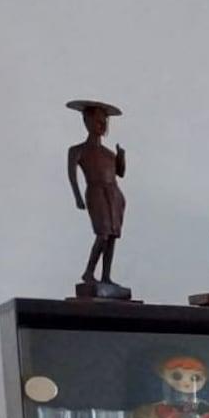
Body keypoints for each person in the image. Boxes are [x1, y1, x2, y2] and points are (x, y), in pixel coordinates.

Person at [66, 100, 130, 300]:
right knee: (102, 233)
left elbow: (120, 173)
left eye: (104, 122)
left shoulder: (108, 153)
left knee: (112, 236)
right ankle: (89, 272)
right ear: (86, 121)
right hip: (96, 191)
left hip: (114, 194)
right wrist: (77, 196)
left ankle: (106, 276)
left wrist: (121, 157)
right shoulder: (78, 150)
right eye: (98, 121)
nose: (102, 125)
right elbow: (72, 174)